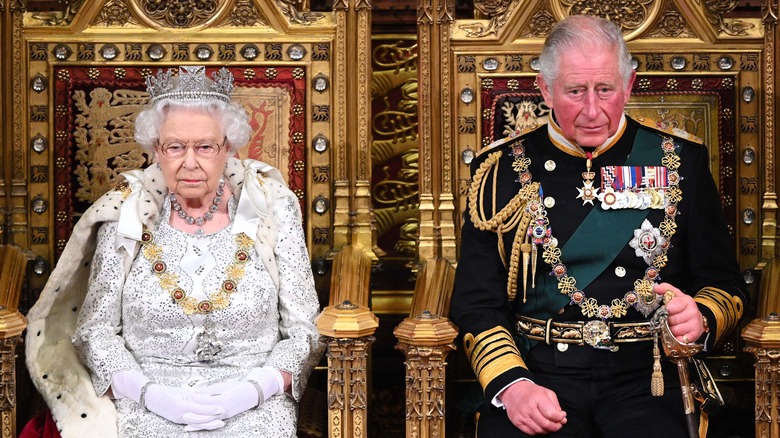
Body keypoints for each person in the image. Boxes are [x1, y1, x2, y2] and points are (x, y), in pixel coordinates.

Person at [450, 15, 747, 437]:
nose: (593, 111)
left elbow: (726, 287)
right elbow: (476, 302)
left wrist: (698, 317)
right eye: (575, 91)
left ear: (628, 86)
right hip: (540, 372)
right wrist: (512, 386)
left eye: (605, 90)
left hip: (649, 378)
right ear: (545, 89)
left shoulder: (680, 162)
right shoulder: (498, 171)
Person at [24, 65, 323, 437]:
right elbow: (95, 331)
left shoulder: (272, 209)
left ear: (228, 146)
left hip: (254, 403)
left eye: (205, 147)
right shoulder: (126, 215)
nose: (190, 162)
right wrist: (149, 395)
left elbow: (304, 331)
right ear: (155, 150)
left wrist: (253, 391)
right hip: (148, 401)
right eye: (175, 147)